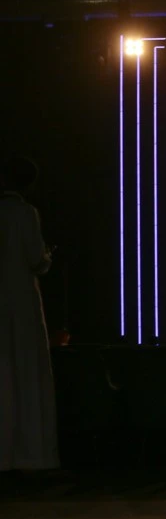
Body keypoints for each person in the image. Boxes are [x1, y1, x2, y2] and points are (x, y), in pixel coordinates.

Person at [1, 157, 59, 472]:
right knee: (25, 370)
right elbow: (36, 259)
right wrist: (48, 256)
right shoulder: (25, 213)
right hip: (21, 300)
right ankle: (30, 454)